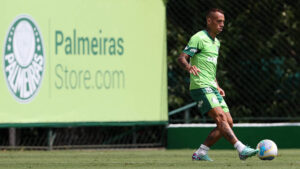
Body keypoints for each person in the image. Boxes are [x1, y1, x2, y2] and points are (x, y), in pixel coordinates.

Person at [177, 8, 258, 161]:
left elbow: (211, 69)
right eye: (219, 21)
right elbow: (182, 58)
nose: (222, 25)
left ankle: (200, 153)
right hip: (200, 86)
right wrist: (189, 67)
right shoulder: (199, 38)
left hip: (212, 86)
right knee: (221, 118)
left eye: (223, 22)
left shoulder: (217, 43)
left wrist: (217, 85)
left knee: (228, 122)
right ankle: (241, 149)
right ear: (209, 21)